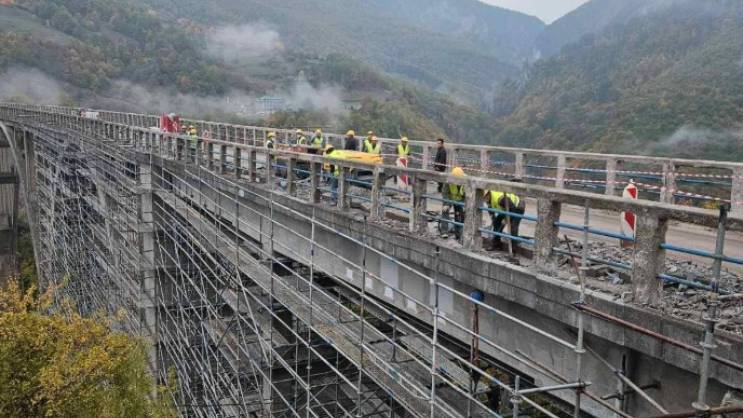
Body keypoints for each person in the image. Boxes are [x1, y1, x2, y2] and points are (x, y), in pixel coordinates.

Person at [443, 167, 466, 240]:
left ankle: (458, 235)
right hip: (450, 198)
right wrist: (446, 204)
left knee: (459, 215)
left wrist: (464, 205)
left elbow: (467, 196)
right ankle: (444, 232)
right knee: (445, 211)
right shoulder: (448, 179)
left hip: (460, 200)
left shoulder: (466, 180)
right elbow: (445, 193)